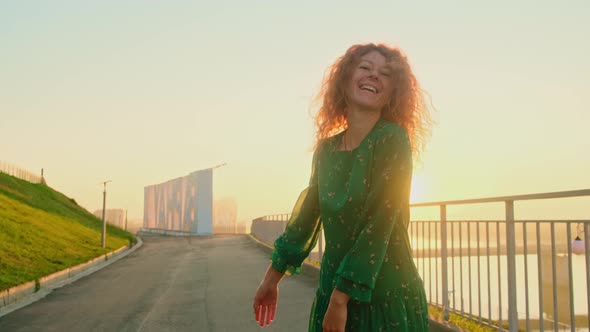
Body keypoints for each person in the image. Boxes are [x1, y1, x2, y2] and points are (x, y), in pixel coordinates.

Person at [253, 43, 432, 332]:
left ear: (393, 92)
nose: (374, 76)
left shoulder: (392, 140)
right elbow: (306, 218)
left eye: (385, 73)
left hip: (384, 297)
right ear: (345, 79)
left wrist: (340, 300)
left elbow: (379, 223)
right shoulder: (326, 150)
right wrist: (270, 279)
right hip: (333, 291)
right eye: (365, 68)